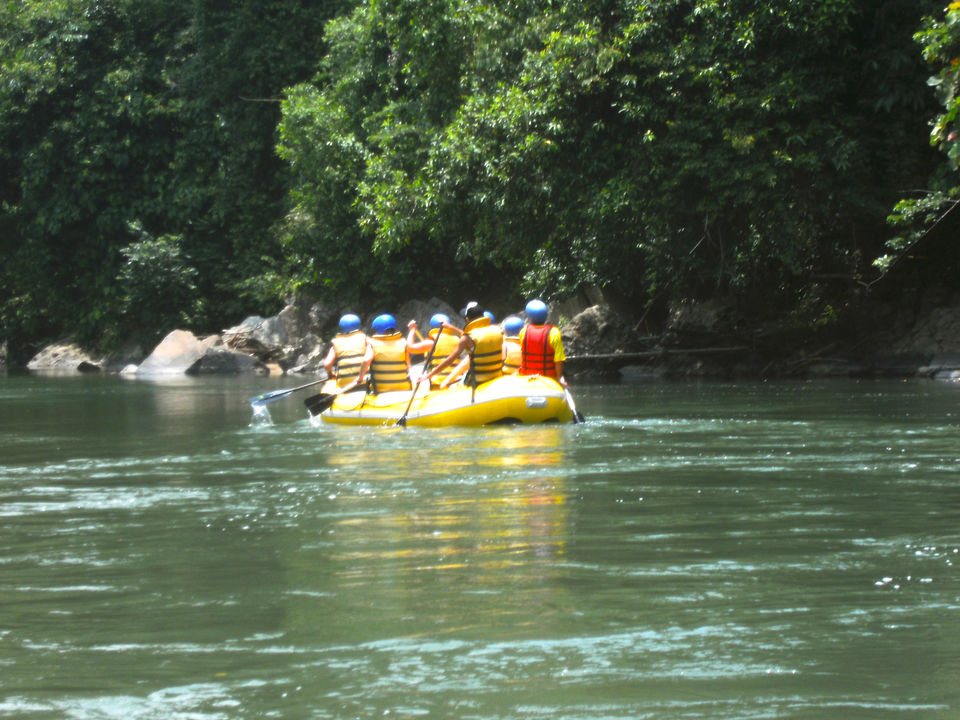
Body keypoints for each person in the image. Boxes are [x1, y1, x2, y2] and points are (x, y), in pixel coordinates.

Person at [423, 301, 503, 388]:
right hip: (497, 377)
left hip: (475, 383)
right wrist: (451, 327)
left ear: (467, 319)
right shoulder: (498, 331)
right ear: (483, 316)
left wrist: (428, 375)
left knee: (454, 386)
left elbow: (449, 361)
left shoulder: (467, 338)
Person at [519, 299, 569, 387]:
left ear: (529, 317)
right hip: (549, 379)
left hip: (527, 378)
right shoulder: (554, 332)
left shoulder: (524, 332)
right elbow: (558, 360)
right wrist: (559, 379)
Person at [358, 314, 411, 393]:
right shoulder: (403, 342)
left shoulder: (373, 344)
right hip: (403, 388)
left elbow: (366, 361)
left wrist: (360, 379)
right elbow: (408, 364)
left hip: (381, 391)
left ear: (379, 329)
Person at [406, 313, 461, 389]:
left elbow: (410, 347)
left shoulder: (432, 342)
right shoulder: (457, 339)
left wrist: (412, 330)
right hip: (456, 383)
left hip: (439, 385)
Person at [322, 313, 368, 388]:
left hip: (344, 383)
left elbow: (327, 364)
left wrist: (330, 373)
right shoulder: (365, 339)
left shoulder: (336, 342)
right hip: (364, 381)